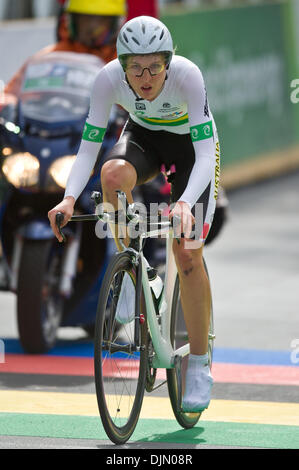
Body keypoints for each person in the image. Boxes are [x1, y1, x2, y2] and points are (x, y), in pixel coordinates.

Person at [48, 15, 219, 412]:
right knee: (111, 173)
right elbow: (89, 147)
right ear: (122, 64)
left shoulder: (188, 76)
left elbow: (206, 152)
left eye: (154, 66)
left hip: (192, 151)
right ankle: (131, 273)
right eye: (135, 67)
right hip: (143, 137)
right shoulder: (108, 79)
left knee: (188, 253)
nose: (144, 76)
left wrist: (182, 204)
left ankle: (198, 363)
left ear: (168, 61)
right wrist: (69, 199)